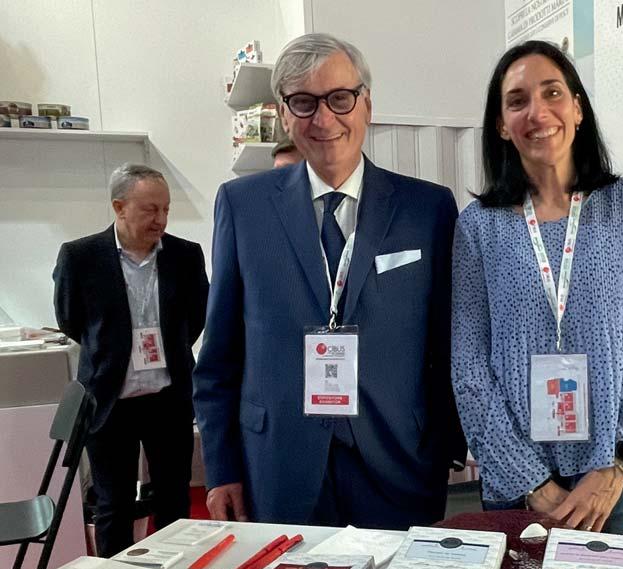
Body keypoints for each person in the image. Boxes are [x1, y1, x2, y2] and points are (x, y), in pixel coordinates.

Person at [194, 34, 465, 528]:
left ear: (367, 105)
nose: (324, 119)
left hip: (400, 462)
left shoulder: (428, 209)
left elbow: (447, 343)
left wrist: (448, 443)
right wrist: (222, 469)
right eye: (304, 102)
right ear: (283, 113)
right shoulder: (242, 206)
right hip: (278, 466)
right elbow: (220, 358)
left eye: (340, 98)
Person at [451, 40, 623, 538]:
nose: (538, 112)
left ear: (577, 108)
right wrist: (532, 482)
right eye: (517, 101)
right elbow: (470, 368)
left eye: (552, 92)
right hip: (520, 486)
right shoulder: (479, 227)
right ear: (501, 125)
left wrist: (616, 465)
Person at [53, 163, 209, 556]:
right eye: (150, 209)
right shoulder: (80, 256)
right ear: (119, 207)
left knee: (174, 500)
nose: (161, 220)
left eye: (166, 209)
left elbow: (197, 316)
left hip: (168, 399)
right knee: (113, 505)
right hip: (110, 399)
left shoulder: (185, 255)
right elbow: (71, 319)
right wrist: (113, 349)